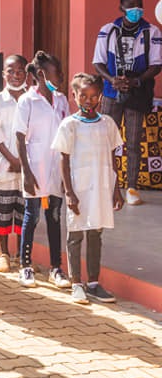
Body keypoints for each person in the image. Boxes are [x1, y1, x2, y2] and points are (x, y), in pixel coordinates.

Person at [52, 73, 125, 304]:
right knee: (75, 235)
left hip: (101, 187)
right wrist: (69, 192)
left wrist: (116, 189)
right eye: (83, 95)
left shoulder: (108, 124)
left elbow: (114, 157)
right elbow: (64, 159)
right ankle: (76, 283)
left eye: (94, 96)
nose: (89, 100)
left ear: (100, 97)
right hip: (79, 188)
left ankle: (93, 282)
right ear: (74, 96)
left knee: (96, 233)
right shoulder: (69, 125)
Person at [92, 0, 162, 206]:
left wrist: (136, 81)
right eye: (131, 7)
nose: (136, 11)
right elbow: (98, 62)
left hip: (138, 92)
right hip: (112, 92)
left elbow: (156, 64)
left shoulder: (152, 31)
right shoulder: (108, 31)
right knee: (105, 139)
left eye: (139, 6)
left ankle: (131, 187)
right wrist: (112, 80)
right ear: (121, 8)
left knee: (133, 140)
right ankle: (105, 183)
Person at [15, 51, 71, 290]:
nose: (60, 76)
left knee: (55, 217)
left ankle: (56, 267)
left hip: (55, 168)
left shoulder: (61, 100)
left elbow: (68, 134)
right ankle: (25, 265)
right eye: (55, 72)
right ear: (41, 74)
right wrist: (26, 172)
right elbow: (19, 136)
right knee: (32, 215)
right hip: (35, 167)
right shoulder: (27, 101)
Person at [0, 55, 28, 273]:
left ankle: (22, 255)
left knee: (24, 211)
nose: (15, 75)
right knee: (3, 211)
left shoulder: (32, 99)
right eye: (10, 71)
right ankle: (4, 254)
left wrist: (24, 161)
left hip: (28, 167)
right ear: (3, 74)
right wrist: (12, 158)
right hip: (5, 164)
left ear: (26, 73)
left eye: (19, 71)